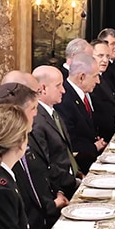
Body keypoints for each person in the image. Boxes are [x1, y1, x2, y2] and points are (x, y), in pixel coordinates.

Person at [0, 80, 66, 229]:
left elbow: (40, 179)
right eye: (33, 109)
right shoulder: (0, 167)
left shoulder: (15, 150)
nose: (36, 114)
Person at [30, 65, 80, 198]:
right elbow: (45, 166)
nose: (63, 90)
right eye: (58, 86)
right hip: (60, 189)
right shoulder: (36, 121)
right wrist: (74, 183)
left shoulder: (52, 112)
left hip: (72, 177)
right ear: (43, 89)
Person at [56, 52, 107, 173]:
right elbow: (70, 141)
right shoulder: (64, 100)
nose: (98, 81)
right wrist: (94, 147)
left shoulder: (81, 94)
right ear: (81, 77)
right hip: (81, 166)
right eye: (95, 76)